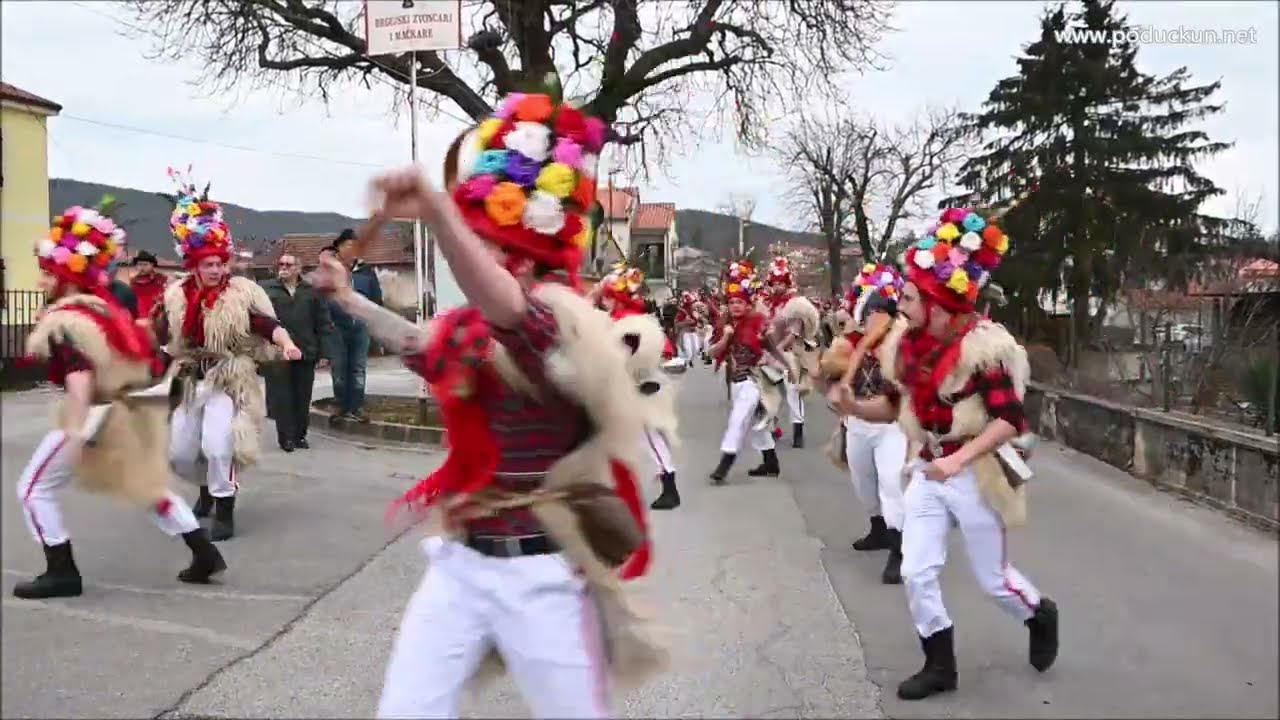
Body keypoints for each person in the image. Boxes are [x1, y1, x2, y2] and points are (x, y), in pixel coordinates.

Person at [311, 90, 666, 718]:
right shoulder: (471, 332)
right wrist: (349, 299)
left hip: (543, 575)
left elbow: (509, 309)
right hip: (460, 565)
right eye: (486, 247)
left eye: (501, 252)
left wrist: (436, 211)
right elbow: (421, 345)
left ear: (535, 259)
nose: (487, 263)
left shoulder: (559, 328)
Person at [840, 206, 1058, 700]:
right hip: (928, 471)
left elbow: (1010, 420)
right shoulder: (909, 345)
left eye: (912, 296)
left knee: (994, 581)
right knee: (917, 571)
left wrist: (957, 461)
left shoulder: (984, 347)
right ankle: (940, 665)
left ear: (938, 303)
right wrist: (853, 404)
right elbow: (896, 407)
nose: (903, 303)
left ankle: (1039, 614)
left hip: (976, 471)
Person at [14, 197, 226, 599]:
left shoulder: (67, 320)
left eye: (46, 274)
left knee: (32, 488)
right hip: (126, 413)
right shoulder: (103, 311)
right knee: (144, 485)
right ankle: (203, 550)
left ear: (66, 277)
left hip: (92, 416)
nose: (41, 282)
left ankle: (62, 570)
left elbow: (80, 380)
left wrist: (74, 434)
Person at [152, 170, 302, 542]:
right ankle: (203, 491)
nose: (217, 270)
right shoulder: (175, 295)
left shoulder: (239, 295)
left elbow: (265, 324)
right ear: (194, 265)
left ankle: (224, 509)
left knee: (219, 446)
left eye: (221, 263)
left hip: (228, 378)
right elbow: (162, 334)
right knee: (182, 452)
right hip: (190, 378)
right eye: (209, 264)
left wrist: (286, 343)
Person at [821, 263, 909, 585]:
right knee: (863, 482)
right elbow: (827, 376)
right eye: (872, 308)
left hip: (891, 424)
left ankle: (900, 549)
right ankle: (878, 529)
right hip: (857, 423)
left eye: (882, 308)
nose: (876, 314)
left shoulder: (903, 342)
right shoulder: (850, 342)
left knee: (890, 481)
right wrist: (833, 387)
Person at [597, 264, 683, 511]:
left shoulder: (629, 325)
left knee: (648, 438)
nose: (604, 301)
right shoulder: (634, 320)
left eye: (607, 296)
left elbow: (630, 359)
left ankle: (669, 486)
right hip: (635, 388)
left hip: (639, 387)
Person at [707, 259, 792, 483]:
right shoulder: (723, 323)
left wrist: (789, 366)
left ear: (748, 304)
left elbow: (772, 346)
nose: (735, 306)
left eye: (740, 302)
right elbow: (713, 353)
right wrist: (725, 337)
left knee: (738, 420)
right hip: (734, 381)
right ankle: (771, 463)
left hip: (753, 381)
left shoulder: (757, 321)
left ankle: (724, 464)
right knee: (756, 426)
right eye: (732, 301)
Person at [261, 253, 334, 451]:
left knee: (302, 395)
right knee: (282, 396)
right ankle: (286, 438)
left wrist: (325, 352)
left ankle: (300, 435)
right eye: (281, 263)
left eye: (289, 264)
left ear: (298, 269)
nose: (283, 267)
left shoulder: (312, 292)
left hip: (306, 350)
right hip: (276, 352)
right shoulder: (267, 290)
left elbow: (323, 322)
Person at [761, 256, 821, 448]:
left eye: (781, 283)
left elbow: (794, 332)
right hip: (770, 353)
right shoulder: (767, 303)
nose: (778, 287)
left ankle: (798, 431)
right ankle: (772, 428)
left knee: (792, 393)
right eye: (775, 283)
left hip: (789, 354)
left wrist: (777, 350)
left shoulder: (796, 305)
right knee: (768, 392)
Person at [328, 229, 383, 423]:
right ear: (339, 248)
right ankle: (341, 406)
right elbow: (321, 300)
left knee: (358, 368)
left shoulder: (366, 272)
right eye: (347, 245)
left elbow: (377, 300)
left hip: (360, 327)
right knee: (339, 367)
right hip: (336, 327)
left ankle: (356, 407)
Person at [129, 250, 167, 320]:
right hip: (138, 317)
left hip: (156, 316)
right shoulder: (133, 281)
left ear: (152, 265)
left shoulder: (161, 278)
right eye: (140, 264)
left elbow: (164, 296)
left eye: (145, 264)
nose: (142, 267)